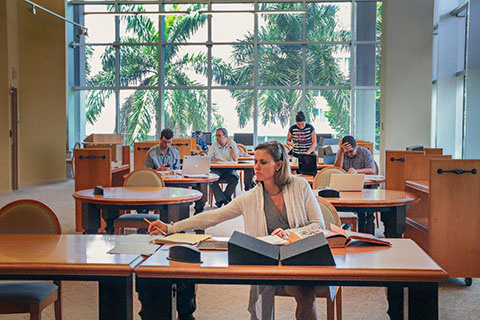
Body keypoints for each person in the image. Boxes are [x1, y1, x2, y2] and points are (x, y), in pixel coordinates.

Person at [145, 141, 326, 320]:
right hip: (267, 259)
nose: (256, 167)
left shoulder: (300, 186)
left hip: (299, 257)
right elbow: (213, 217)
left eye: (263, 163)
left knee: (306, 295)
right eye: (255, 162)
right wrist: (171, 227)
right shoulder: (251, 197)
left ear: (278, 165)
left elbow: (319, 225)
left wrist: (290, 233)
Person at [208, 128, 240, 207]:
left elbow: (236, 159)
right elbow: (208, 157)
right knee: (211, 178)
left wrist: (231, 146)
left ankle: (222, 199)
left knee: (235, 178)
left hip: (229, 168)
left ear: (225, 136)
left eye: (219, 136)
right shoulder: (214, 145)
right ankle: (223, 199)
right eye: (216, 136)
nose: (217, 138)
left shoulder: (232, 144)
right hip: (217, 169)